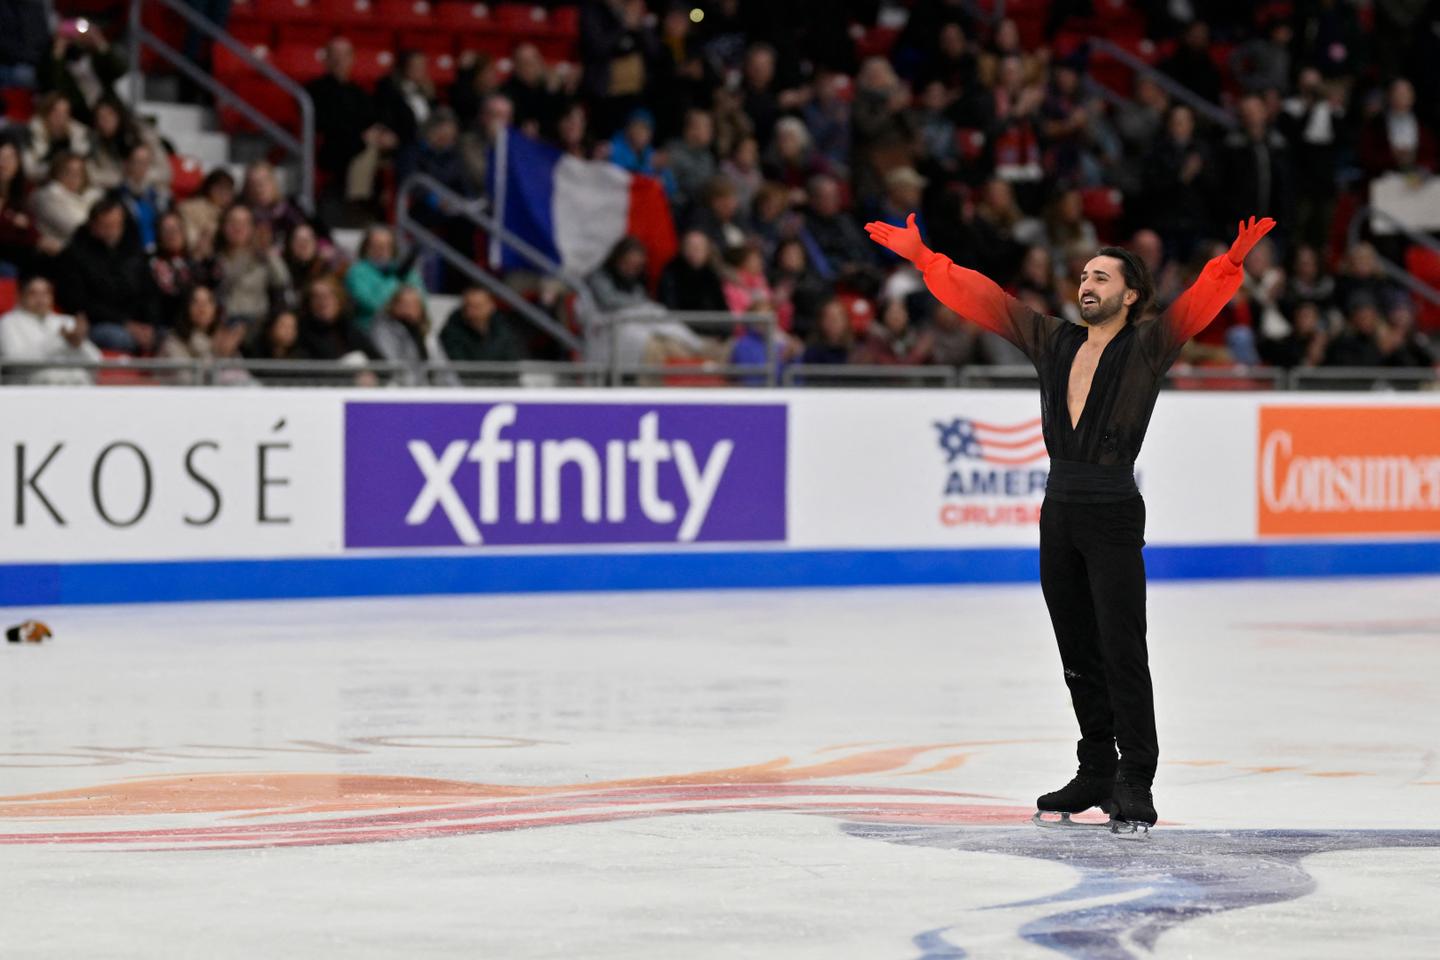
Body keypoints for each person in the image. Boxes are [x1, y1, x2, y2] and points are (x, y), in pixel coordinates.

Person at [865, 210, 1277, 832]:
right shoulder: (1054, 341)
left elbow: (1197, 306)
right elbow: (986, 300)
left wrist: (1230, 264)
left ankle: (1136, 778)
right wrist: (927, 262)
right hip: (1058, 511)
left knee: (1122, 650)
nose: (1087, 285)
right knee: (1077, 651)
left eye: (1101, 278)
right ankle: (1096, 769)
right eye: (1083, 275)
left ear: (1130, 294)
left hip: (1111, 510)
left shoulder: (1147, 346)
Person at [0, 273, 100, 384]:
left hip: (75, 387)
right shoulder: (8, 322)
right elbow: (14, 363)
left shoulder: (67, 321)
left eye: (45, 293)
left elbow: (96, 362)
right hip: (29, 390)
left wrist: (79, 344)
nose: (41, 299)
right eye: (33, 294)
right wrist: (60, 341)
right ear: (20, 296)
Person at [440, 286, 526, 366]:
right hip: (469, 381)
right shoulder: (452, 332)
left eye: (477, 307)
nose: (472, 312)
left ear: (491, 306)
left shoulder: (503, 328)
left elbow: (512, 363)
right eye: (468, 306)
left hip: (501, 381)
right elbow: (461, 367)